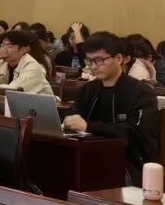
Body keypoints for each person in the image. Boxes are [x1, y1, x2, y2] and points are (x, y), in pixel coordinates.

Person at [64, 32, 159, 180]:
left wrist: (89, 126)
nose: (93, 66)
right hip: (90, 155)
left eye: (99, 60)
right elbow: (73, 113)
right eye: (89, 61)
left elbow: (135, 132)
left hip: (128, 162)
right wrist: (69, 119)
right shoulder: (89, 89)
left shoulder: (141, 92)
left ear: (119, 59)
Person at [0, 29, 51, 95]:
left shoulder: (33, 67)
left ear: (22, 50)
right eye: (2, 45)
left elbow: (14, 90)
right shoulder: (0, 64)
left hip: (41, 103)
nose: (4, 50)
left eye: (10, 46)